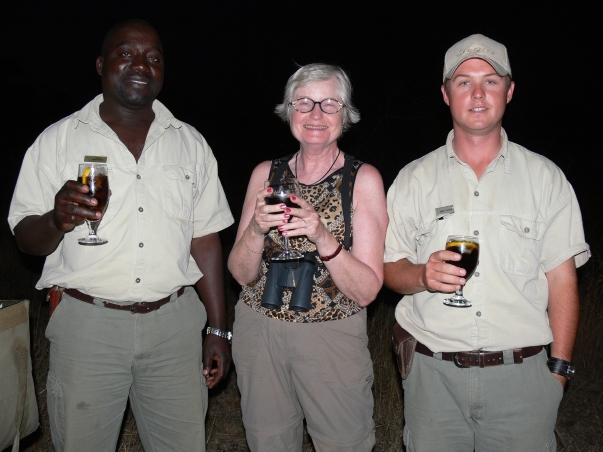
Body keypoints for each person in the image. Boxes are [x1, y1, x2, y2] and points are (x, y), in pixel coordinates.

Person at [8, 19, 234, 452]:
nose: (141, 65)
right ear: (101, 64)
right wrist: (55, 220)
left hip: (174, 328)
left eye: (154, 57)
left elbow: (205, 239)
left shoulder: (190, 143)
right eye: (126, 53)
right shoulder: (57, 141)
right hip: (87, 327)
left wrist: (219, 330)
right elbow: (25, 238)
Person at [384, 34, 590, 451]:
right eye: (464, 82)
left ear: (509, 91)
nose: (478, 93)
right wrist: (422, 275)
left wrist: (558, 372)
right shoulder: (412, 179)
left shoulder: (545, 178)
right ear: (446, 95)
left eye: (491, 81)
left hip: (523, 379)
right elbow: (390, 268)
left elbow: (562, 281)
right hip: (432, 377)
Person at [227, 63, 387, 451]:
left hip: (330, 336)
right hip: (259, 330)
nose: (316, 114)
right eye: (304, 103)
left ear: (345, 115)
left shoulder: (363, 179)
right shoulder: (265, 174)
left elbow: (367, 291)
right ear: (289, 111)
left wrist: (321, 235)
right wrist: (256, 230)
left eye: (329, 103)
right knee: (268, 441)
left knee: (343, 443)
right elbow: (240, 273)